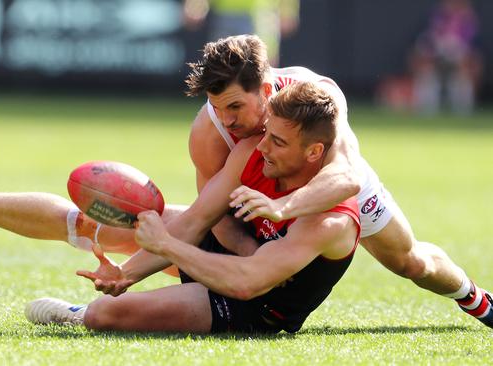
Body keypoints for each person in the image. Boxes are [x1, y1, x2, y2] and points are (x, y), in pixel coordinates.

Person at [0, 34, 492, 328]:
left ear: (269, 90)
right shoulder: (215, 135)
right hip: (252, 225)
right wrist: (177, 254)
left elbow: (345, 179)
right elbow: (206, 222)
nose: (230, 122)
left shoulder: (312, 101)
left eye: (240, 110)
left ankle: (474, 297)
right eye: (220, 111)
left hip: (319, 195)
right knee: (96, 224)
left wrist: (280, 215)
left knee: (411, 262)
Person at [27, 82, 360, 333]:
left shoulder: (331, 221)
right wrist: (125, 275)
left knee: (103, 314)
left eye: (278, 141)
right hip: (237, 258)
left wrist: (167, 245)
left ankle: (77, 314)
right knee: (136, 225)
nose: (262, 145)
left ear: (314, 152)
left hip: (254, 302)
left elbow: (248, 282)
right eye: (267, 133)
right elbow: (195, 221)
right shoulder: (253, 153)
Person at [409, 0, 482, 115]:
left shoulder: (468, 21)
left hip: (459, 62)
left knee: (463, 76)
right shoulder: (437, 18)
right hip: (437, 60)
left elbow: (470, 48)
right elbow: (428, 42)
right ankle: (426, 112)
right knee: (427, 74)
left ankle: (462, 113)